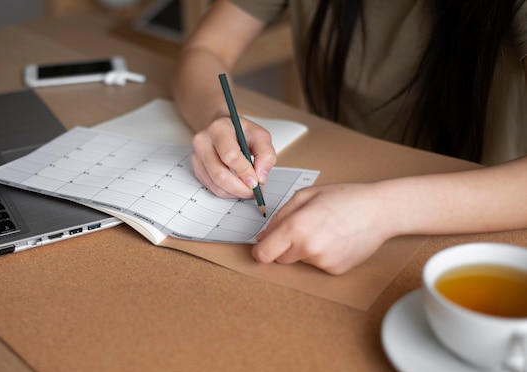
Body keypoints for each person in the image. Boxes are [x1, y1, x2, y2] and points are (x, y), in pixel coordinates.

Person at [171, 0, 527, 275]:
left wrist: (385, 210)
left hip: (486, 220)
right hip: (337, 179)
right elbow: (206, 49)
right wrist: (219, 118)